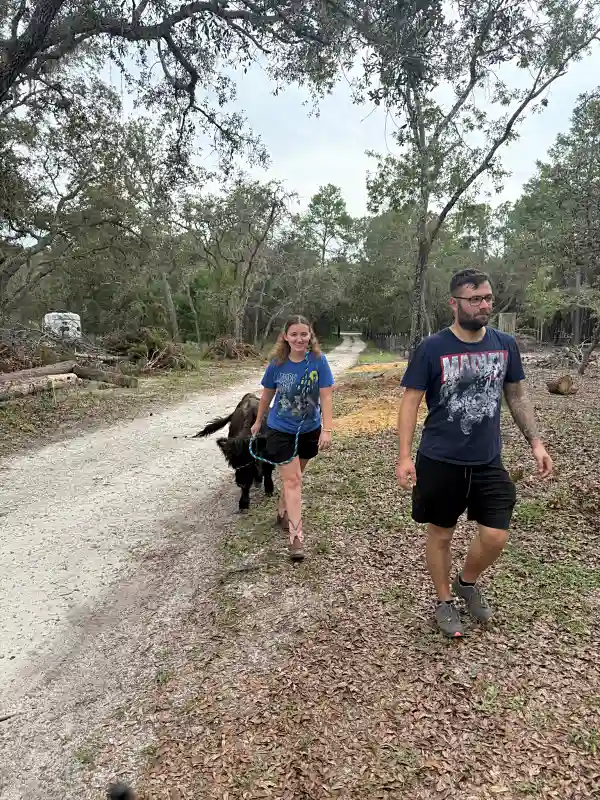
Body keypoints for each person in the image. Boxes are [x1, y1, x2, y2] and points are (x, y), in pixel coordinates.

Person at [396, 269, 553, 637]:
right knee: (441, 533)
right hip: (439, 459)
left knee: (496, 535)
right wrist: (404, 455)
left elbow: (516, 395)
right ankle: (444, 599)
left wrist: (536, 442)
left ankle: (467, 582)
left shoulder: (504, 344)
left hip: (487, 459)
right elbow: (410, 403)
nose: (483, 305)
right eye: (475, 299)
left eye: (487, 298)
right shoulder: (432, 348)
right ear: (454, 303)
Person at [251, 315, 334, 561]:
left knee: (297, 475)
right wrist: (257, 421)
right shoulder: (277, 363)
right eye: (294, 334)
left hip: (309, 429)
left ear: (310, 337)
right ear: (285, 336)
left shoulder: (319, 362)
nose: (299, 339)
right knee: (294, 480)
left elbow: (326, 396)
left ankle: (282, 509)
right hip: (280, 429)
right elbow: (266, 395)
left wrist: (327, 429)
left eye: (304, 334)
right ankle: (296, 538)